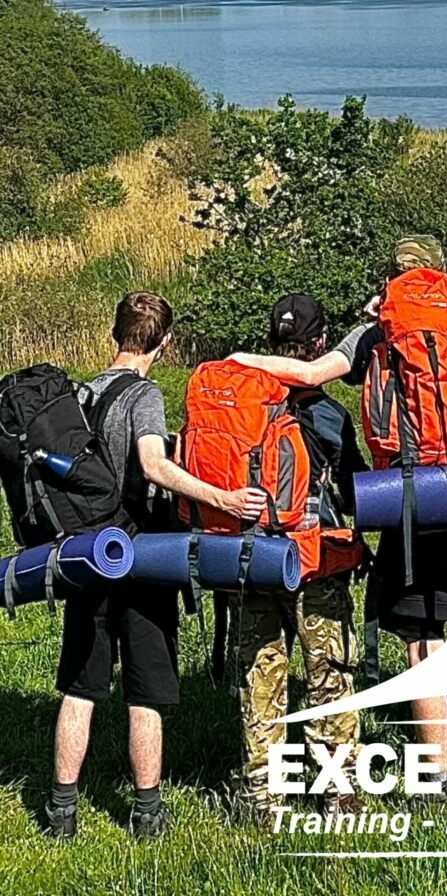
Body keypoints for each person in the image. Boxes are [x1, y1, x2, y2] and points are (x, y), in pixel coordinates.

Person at [231, 237, 447, 803]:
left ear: (389, 282)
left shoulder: (375, 337)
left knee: (422, 641)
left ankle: (433, 776)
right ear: (443, 277)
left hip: (402, 500)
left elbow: (311, 373)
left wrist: (242, 361)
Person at [49, 293, 266, 840]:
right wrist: (224, 499)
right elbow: (152, 466)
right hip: (142, 554)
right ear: (165, 343)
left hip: (85, 554)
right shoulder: (143, 395)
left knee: (81, 684)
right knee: (146, 689)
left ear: (113, 333)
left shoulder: (81, 394)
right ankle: (146, 814)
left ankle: (61, 812)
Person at [231, 294, 366, 820]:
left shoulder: (239, 405)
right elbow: (354, 495)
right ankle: (338, 791)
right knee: (328, 669)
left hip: (245, 557)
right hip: (313, 561)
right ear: (318, 346)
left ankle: (263, 795)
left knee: (260, 672)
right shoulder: (329, 415)